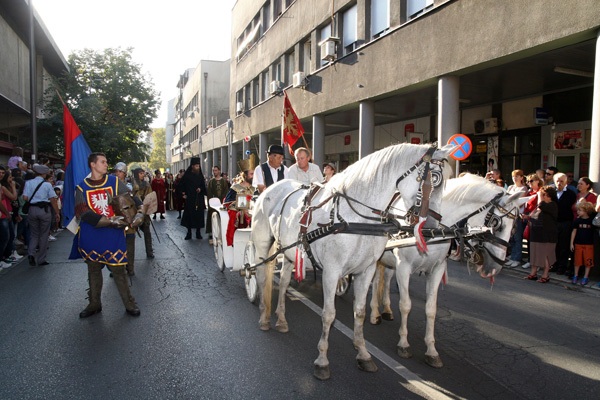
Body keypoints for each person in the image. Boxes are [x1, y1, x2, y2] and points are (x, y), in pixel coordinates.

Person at [70, 152, 140, 318]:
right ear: (93, 165)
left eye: (106, 161)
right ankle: (94, 303)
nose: (106, 164)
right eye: (102, 162)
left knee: (119, 271)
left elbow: (130, 198)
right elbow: (82, 212)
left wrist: (141, 209)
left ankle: (129, 304)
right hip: (92, 233)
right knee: (93, 270)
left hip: (112, 235)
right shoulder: (82, 187)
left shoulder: (114, 181)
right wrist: (108, 221)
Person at [22, 164, 60, 267]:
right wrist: (57, 212)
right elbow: (53, 199)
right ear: (44, 173)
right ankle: (41, 259)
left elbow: (25, 197)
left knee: (34, 233)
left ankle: (31, 254)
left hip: (32, 209)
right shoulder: (47, 185)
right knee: (44, 234)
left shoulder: (29, 183)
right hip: (44, 209)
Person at [524, 186, 558, 283]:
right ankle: (533, 273)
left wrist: (539, 197)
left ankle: (545, 275)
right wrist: (527, 217)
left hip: (546, 235)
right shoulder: (540, 206)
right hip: (536, 233)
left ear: (548, 195)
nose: (541, 196)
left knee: (545, 255)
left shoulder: (552, 205)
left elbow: (542, 205)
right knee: (534, 254)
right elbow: (534, 217)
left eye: (543, 194)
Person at [223, 157, 256, 246]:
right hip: (239, 211)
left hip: (253, 210)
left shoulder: (255, 188)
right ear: (245, 175)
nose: (254, 176)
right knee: (236, 215)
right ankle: (234, 240)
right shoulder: (235, 187)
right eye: (251, 174)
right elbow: (227, 202)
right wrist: (240, 207)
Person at [113, 162, 139, 276]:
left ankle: (130, 267)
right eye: (116, 171)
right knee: (116, 246)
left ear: (124, 173)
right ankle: (117, 268)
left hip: (129, 218)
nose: (117, 174)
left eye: (120, 172)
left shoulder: (129, 187)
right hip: (117, 219)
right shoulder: (111, 186)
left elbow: (136, 202)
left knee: (129, 245)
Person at [552, 172, 576, 276]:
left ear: (566, 182)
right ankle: (555, 264)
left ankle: (562, 266)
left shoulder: (570, 194)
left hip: (566, 223)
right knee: (554, 245)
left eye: (562, 181)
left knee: (564, 246)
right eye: (557, 181)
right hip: (554, 223)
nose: (559, 183)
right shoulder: (551, 193)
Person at [178, 157, 208, 240]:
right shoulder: (187, 175)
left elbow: (203, 186)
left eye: (199, 166)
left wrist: (200, 189)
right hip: (190, 199)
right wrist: (183, 193)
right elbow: (180, 185)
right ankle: (189, 233)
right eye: (196, 166)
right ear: (192, 166)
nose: (198, 167)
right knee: (189, 216)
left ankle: (198, 233)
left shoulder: (200, 175)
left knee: (199, 216)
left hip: (199, 198)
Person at [505, 169, 528, 268]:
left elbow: (518, 201)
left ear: (522, 177)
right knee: (511, 237)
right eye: (513, 176)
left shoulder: (524, 188)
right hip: (508, 214)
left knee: (518, 237)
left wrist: (510, 199)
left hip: (518, 215)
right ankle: (513, 256)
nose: (515, 178)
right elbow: (505, 199)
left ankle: (517, 258)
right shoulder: (510, 187)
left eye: (517, 176)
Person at [570, 201, 596, 286]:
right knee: (577, 261)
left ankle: (585, 276)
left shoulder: (592, 221)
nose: (578, 212)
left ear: (586, 211)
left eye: (580, 210)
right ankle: (576, 275)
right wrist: (571, 243)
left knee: (588, 261)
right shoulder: (577, 221)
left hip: (589, 244)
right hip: (578, 243)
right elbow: (574, 232)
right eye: (578, 210)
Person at [520, 173, 542, 270]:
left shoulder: (540, 191)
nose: (529, 183)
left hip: (536, 218)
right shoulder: (529, 192)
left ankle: (537, 262)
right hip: (527, 216)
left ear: (538, 181)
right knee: (528, 240)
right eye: (528, 181)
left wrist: (530, 216)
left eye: (531, 181)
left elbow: (539, 206)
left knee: (535, 241)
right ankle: (530, 260)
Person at [132, 168, 155, 258]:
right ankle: (129, 255)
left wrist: (148, 207)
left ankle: (149, 251)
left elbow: (150, 196)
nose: (142, 175)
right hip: (133, 211)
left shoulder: (146, 184)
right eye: (140, 173)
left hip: (144, 210)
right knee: (131, 234)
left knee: (147, 232)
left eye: (143, 173)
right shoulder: (131, 184)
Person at [206, 165, 230, 245]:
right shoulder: (211, 181)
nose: (214, 172)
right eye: (213, 171)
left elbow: (226, 191)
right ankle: (211, 233)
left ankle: (222, 232)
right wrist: (212, 201)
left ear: (219, 171)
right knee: (212, 216)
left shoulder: (223, 181)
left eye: (216, 170)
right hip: (213, 203)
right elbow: (209, 192)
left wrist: (221, 200)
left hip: (221, 203)